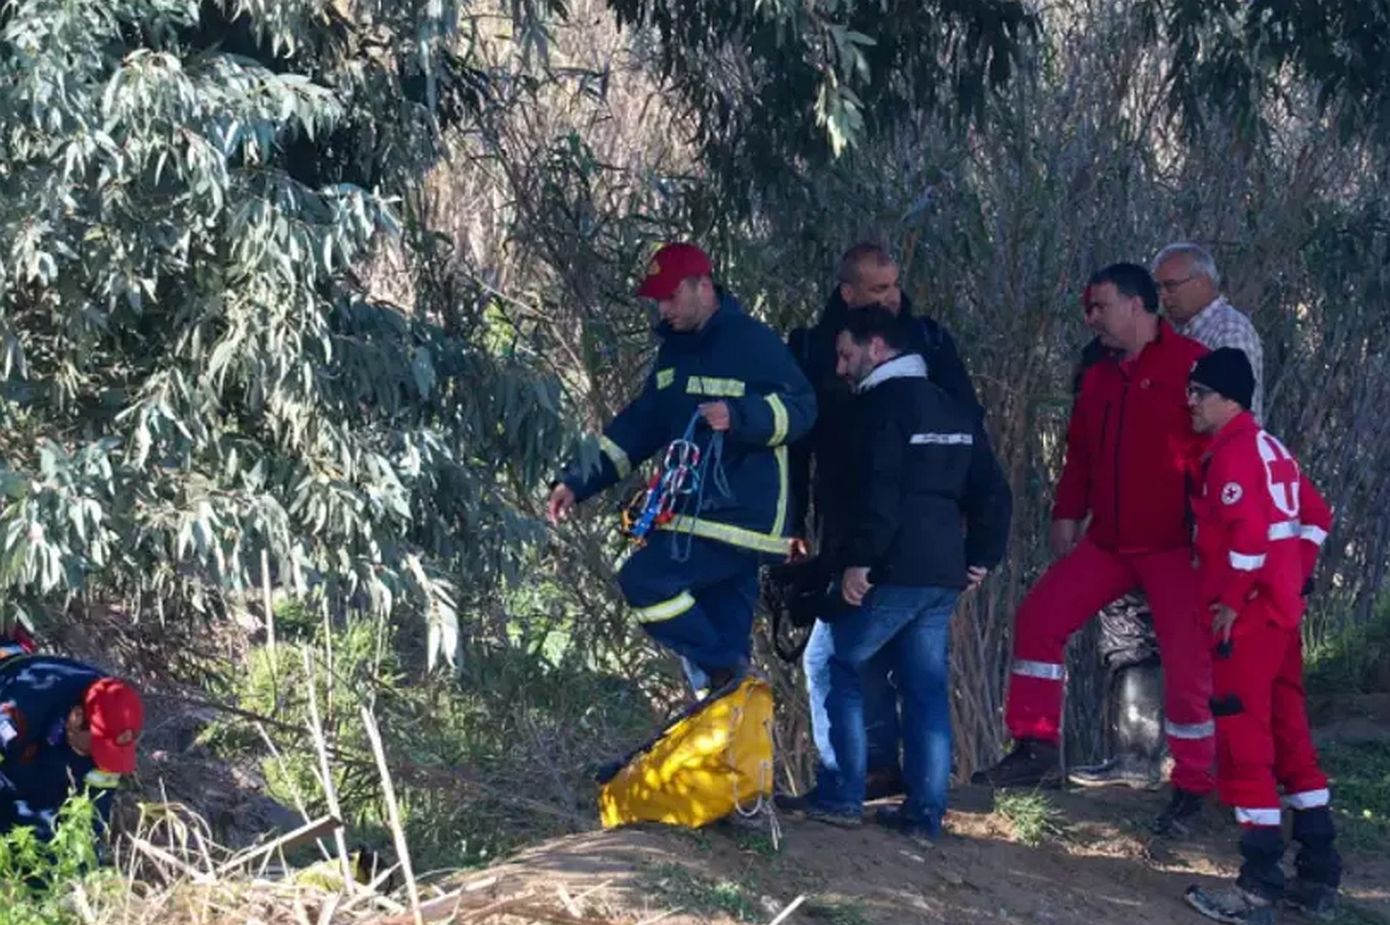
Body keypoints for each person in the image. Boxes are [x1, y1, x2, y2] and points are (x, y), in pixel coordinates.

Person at [971, 263, 1216, 838]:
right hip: (1107, 540)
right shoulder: (1101, 377)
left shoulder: (1192, 365)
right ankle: (1035, 750)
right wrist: (1065, 513)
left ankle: (1193, 786)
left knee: (1187, 664)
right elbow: (1079, 451)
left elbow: (1218, 450)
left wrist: (1215, 534)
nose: (1092, 319)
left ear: (1137, 305)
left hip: (1174, 548)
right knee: (1039, 619)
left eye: (1100, 307)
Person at [547, 242, 816, 693]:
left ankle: (723, 674)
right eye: (658, 300)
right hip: (696, 515)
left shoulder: (753, 342)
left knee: (644, 581)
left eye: (671, 297)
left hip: (738, 517)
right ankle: (727, 714)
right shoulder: (675, 354)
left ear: (703, 287)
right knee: (724, 657)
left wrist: (739, 417)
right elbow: (640, 427)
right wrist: (576, 481)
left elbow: (803, 409)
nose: (663, 309)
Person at [782, 242, 980, 806]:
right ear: (848, 295)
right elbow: (799, 441)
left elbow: (967, 428)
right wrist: (794, 519)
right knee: (880, 660)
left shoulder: (928, 342)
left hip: (901, 526)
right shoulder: (812, 348)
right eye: (878, 289)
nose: (892, 297)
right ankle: (902, 794)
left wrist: (962, 521)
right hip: (846, 517)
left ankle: (853, 790)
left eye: (895, 285)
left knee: (846, 654)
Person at [801, 307, 1010, 837]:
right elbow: (992, 491)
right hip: (943, 572)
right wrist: (981, 556)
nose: (842, 369)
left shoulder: (877, 410)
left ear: (876, 346)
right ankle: (926, 811)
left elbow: (880, 494)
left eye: (847, 355)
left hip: (891, 566)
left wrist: (860, 563)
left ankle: (841, 793)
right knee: (924, 685)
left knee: (830, 660)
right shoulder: (952, 406)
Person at [1073, 243, 1267, 791]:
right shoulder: (1131, 356)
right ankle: (1148, 754)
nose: (1164, 297)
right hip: (1152, 508)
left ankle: (1198, 764)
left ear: (1204, 282)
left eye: (1172, 286)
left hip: (1193, 508)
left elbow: (1224, 418)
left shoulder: (1223, 335)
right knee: (1135, 628)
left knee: (1186, 639)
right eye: (1158, 287)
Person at [1181, 349, 1339, 924]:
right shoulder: (1274, 449)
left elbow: (1246, 538)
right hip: (1280, 621)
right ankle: (1318, 872)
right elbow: (1317, 516)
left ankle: (1259, 885)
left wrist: (1232, 598)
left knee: (1243, 740)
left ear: (1229, 399)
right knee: (1289, 732)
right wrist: (1293, 579)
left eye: (1199, 392)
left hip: (1244, 625)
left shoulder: (1232, 455)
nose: (1191, 402)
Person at [1, 650, 144, 843]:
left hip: (40, 778)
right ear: (76, 718)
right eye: (97, 746)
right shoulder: (22, 709)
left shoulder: (115, 717)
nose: (98, 758)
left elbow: (94, 813)